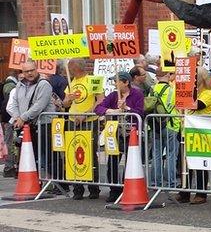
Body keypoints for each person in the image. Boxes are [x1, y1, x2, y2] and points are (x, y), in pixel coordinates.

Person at [94, 71, 144, 202]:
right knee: (113, 161)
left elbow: (140, 112)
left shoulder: (137, 94)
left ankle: (127, 186)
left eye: (116, 81)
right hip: (115, 133)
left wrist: (126, 108)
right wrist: (111, 110)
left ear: (126, 82)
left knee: (130, 161)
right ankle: (114, 190)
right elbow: (98, 108)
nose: (114, 84)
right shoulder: (113, 95)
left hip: (131, 133)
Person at [7, 60, 56, 178]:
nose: (29, 73)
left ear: (36, 69)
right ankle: (36, 181)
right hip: (27, 125)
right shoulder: (19, 85)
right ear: (22, 72)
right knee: (31, 155)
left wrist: (23, 117)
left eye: (31, 70)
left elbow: (39, 105)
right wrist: (17, 117)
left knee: (48, 155)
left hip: (44, 124)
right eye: (26, 71)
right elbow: (14, 103)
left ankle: (58, 184)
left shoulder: (44, 84)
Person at [63, 58, 104, 200]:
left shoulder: (93, 80)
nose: (68, 71)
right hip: (73, 121)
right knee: (73, 153)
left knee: (90, 153)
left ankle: (94, 187)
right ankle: (77, 188)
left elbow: (100, 100)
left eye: (70, 68)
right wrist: (68, 99)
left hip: (89, 121)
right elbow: (65, 103)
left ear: (78, 68)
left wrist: (86, 114)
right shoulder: (70, 82)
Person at [177, 67, 211, 204]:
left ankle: (201, 193)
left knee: (200, 165)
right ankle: (184, 191)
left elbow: (196, 106)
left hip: (201, 134)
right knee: (184, 165)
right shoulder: (194, 93)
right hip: (187, 132)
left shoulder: (208, 93)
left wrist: (184, 96)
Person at [149, 68, 180, 190]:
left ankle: (155, 182)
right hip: (170, 124)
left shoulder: (152, 90)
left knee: (156, 154)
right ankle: (171, 182)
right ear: (167, 75)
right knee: (171, 155)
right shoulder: (172, 91)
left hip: (154, 125)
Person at [1, 69, 19, 178]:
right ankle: (9, 167)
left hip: (9, 118)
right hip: (10, 119)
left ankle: (10, 167)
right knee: (11, 143)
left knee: (11, 142)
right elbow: (8, 105)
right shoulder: (11, 86)